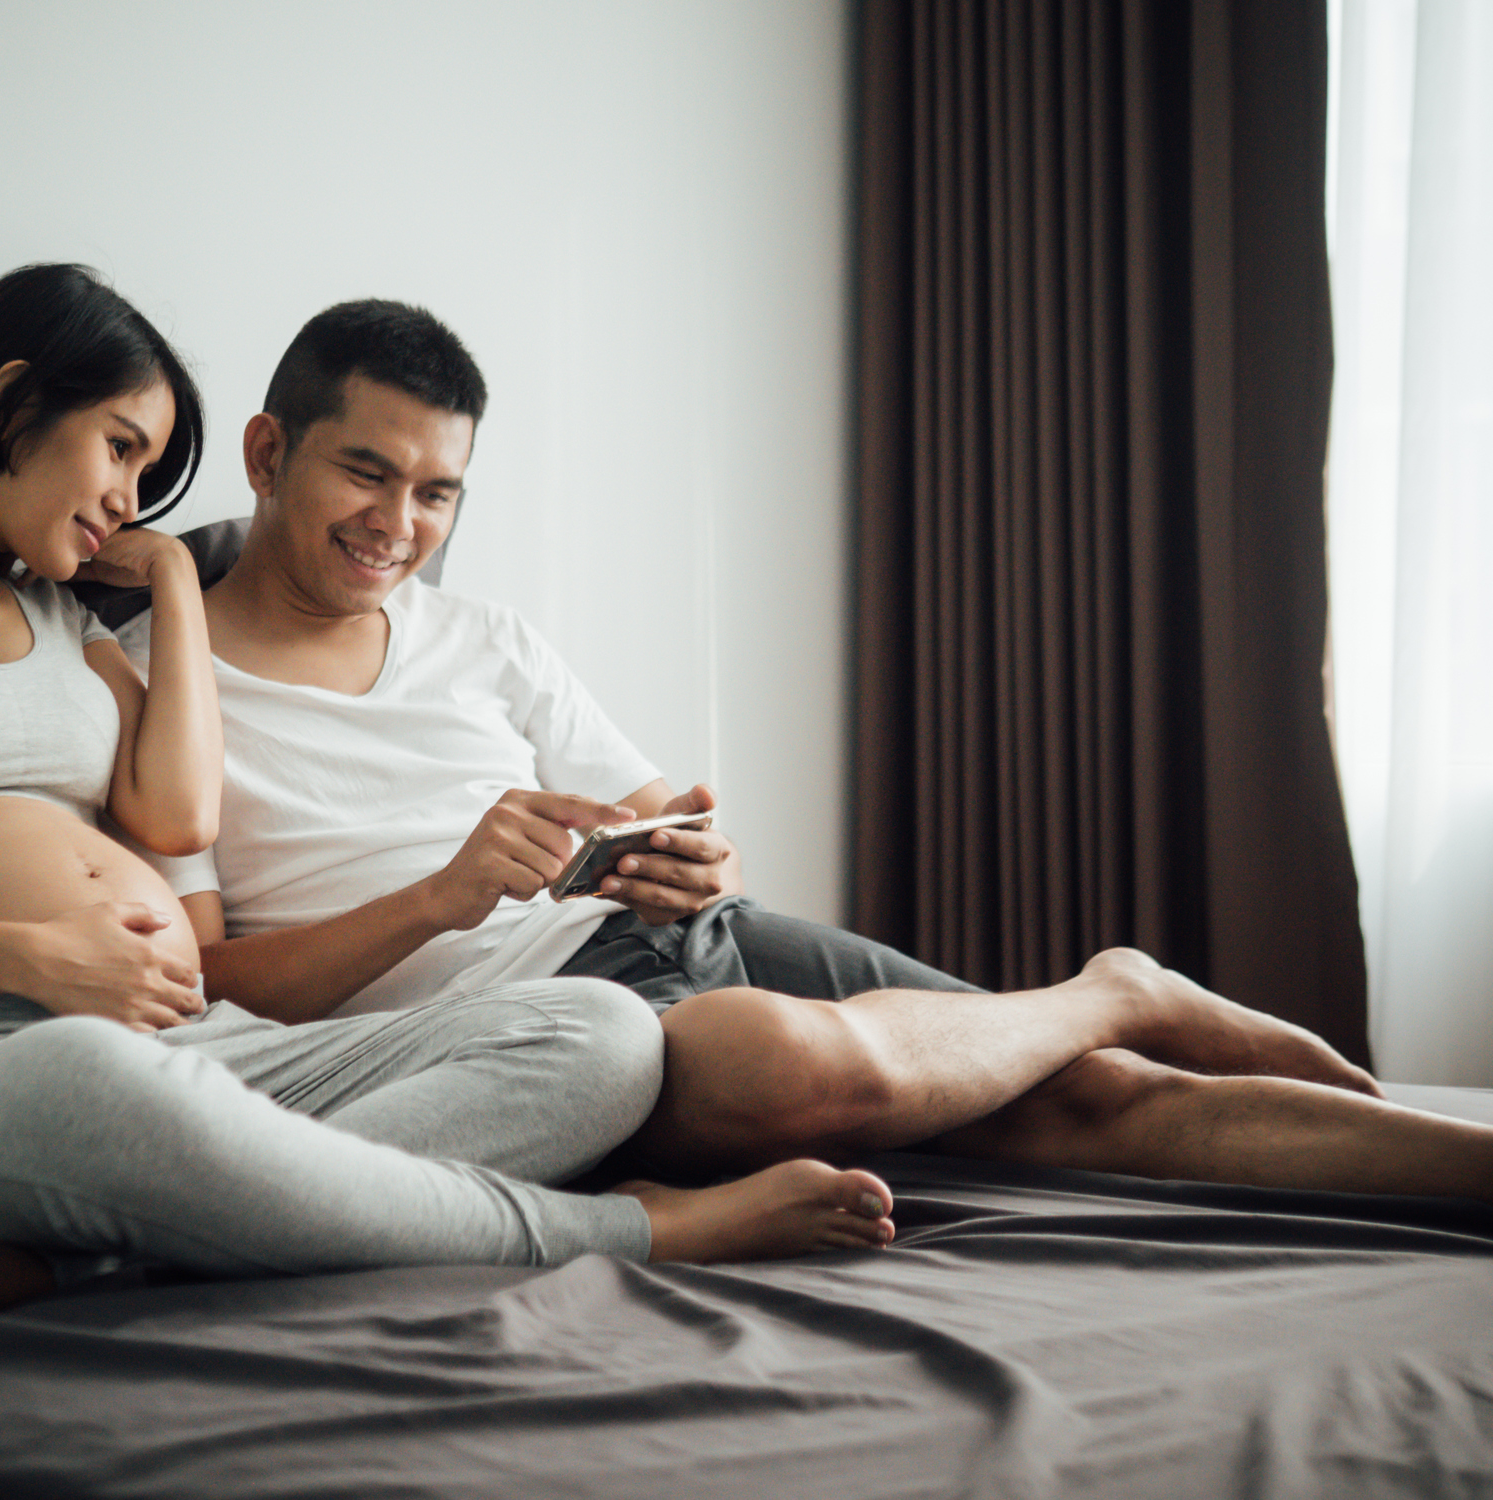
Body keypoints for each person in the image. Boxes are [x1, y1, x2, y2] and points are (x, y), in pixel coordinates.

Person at [0, 265, 904, 1312]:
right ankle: (640, 1233)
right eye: (120, 451)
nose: (127, 502)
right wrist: (30, 961)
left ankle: (91, 1261)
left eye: (148, 476)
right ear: (13, 400)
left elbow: (175, 819)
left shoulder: (64, 618)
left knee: (606, 1034)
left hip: (200, 1049)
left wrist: (182, 584)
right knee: (112, 1094)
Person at [123, 297, 1493, 1205]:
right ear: (266, 449)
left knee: (1085, 1106)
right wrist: (445, 892)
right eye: (367, 473)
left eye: (437, 493)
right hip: (542, 1034)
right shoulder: (143, 681)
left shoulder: (485, 638)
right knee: (806, 1070)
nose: (399, 525)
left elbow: (677, 823)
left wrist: (686, 857)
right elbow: (217, 983)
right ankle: (1115, 985)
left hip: (706, 953)